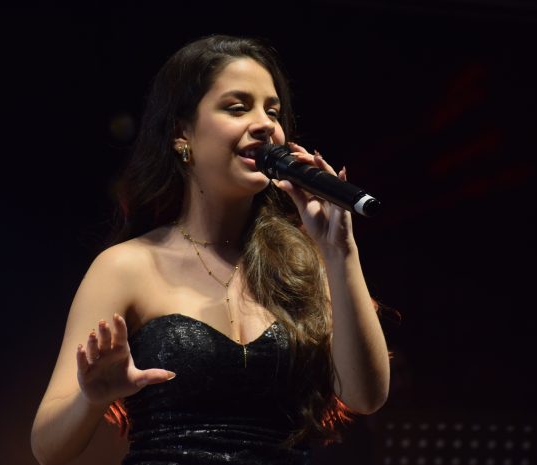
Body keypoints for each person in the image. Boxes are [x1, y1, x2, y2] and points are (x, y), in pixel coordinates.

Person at [31, 35, 390, 465]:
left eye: (273, 111)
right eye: (237, 108)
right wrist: (91, 399)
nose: (265, 124)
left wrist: (340, 253)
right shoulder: (126, 267)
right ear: (181, 133)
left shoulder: (304, 263)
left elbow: (366, 396)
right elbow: (47, 447)